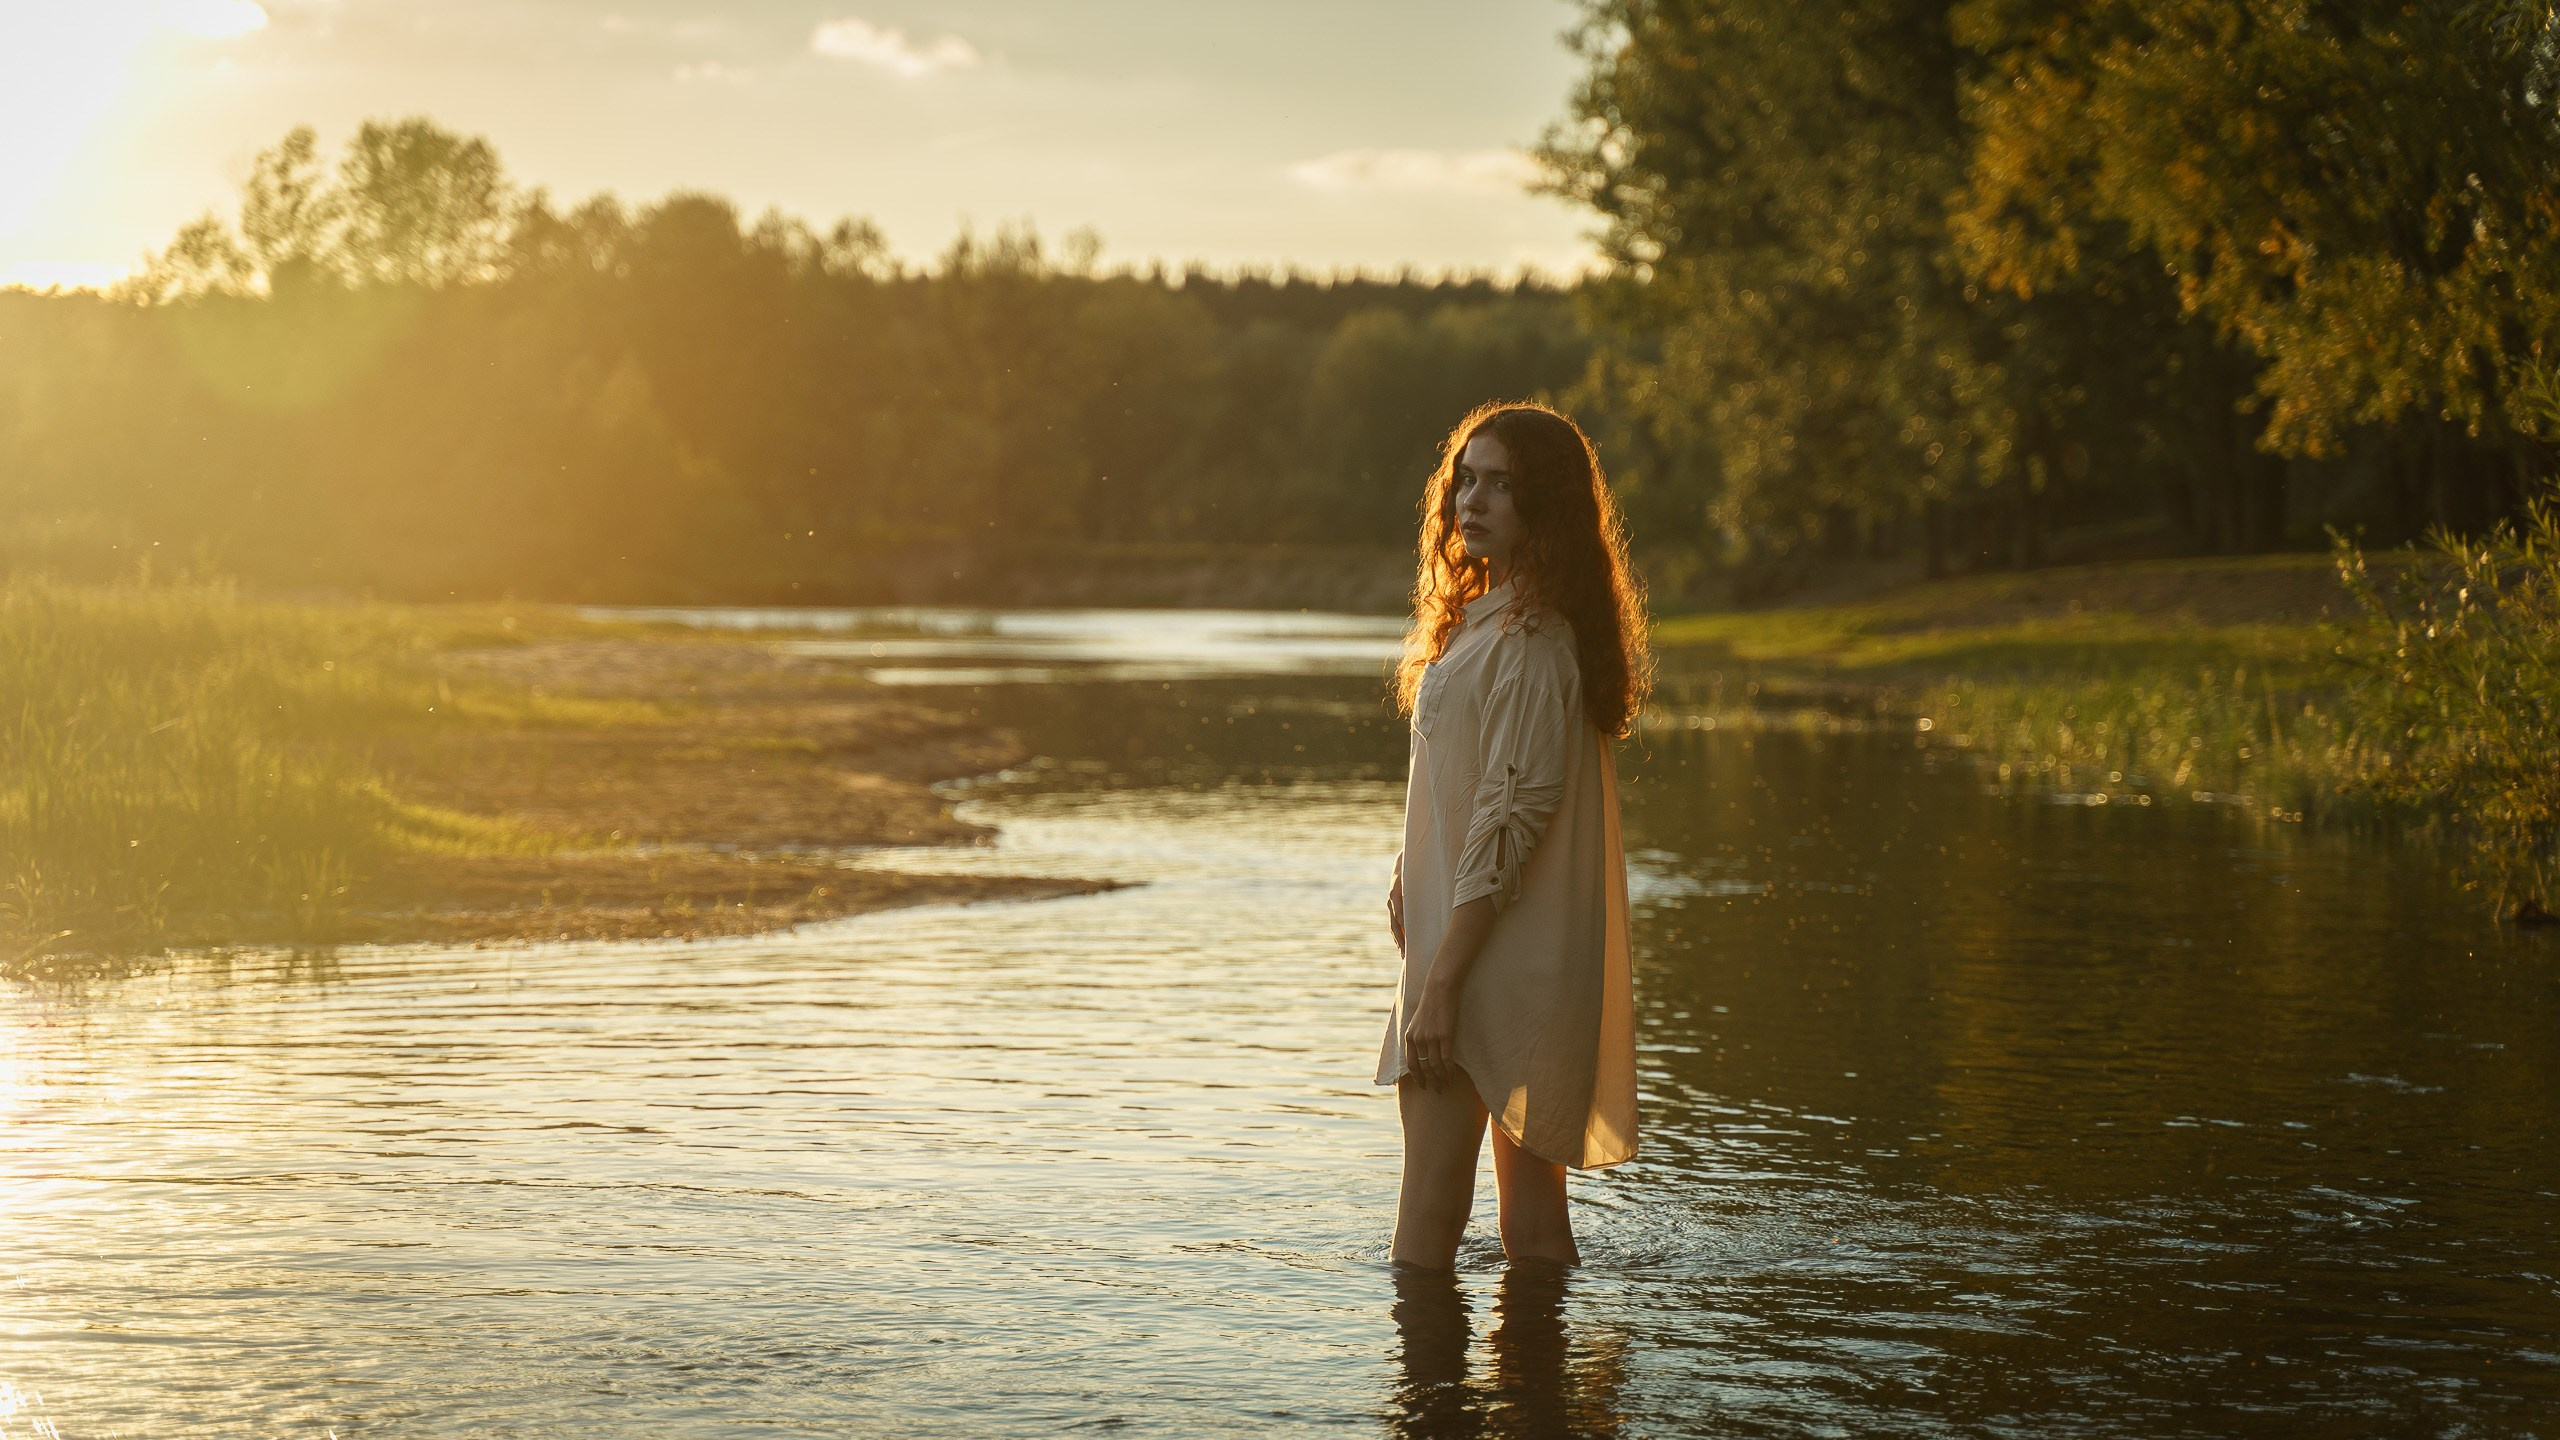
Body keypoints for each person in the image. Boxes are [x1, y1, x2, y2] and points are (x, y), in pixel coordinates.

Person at [1379, 400, 1648, 1270]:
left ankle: (1426, 1408)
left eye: (1502, 483)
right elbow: (1465, 787)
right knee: (1532, 1234)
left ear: (1548, 507)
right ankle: (1540, 1409)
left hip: (1479, 964)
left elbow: (1507, 831)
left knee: (1423, 1232)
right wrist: (1403, 868)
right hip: (1479, 950)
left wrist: (1441, 989)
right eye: (1467, 478)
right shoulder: (1484, 623)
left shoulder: (1533, 641)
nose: (1474, 499)